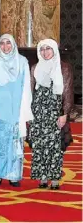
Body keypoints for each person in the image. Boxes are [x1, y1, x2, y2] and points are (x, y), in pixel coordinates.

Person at [0, 34, 33, 187]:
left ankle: (14, 175)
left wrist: (25, 110)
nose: (5, 47)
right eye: (3, 44)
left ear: (13, 45)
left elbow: (26, 88)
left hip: (16, 110)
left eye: (8, 43)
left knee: (15, 144)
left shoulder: (22, 62)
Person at [30, 39, 74, 190]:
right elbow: (30, 92)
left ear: (54, 49)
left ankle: (54, 179)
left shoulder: (63, 68)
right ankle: (42, 178)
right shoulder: (35, 67)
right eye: (42, 49)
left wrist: (64, 114)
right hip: (38, 112)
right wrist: (29, 114)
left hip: (56, 111)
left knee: (55, 146)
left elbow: (67, 92)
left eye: (48, 48)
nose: (45, 52)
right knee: (40, 145)